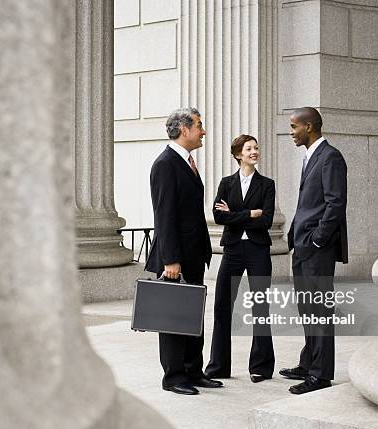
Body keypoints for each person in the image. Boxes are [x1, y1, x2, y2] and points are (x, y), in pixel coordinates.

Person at [144, 107, 223, 395]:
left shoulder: (187, 162)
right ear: (183, 129)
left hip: (192, 254)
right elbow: (164, 216)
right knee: (174, 318)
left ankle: (193, 370)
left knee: (192, 315)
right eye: (199, 126)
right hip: (175, 258)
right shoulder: (165, 164)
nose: (203, 132)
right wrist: (171, 260)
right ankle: (174, 377)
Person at [281, 107, 348, 395]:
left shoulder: (330, 157)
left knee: (319, 310)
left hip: (316, 248)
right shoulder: (312, 157)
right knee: (307, 308)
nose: (291, 132)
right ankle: (309, 362)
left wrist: (318, 239)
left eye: (294, 126)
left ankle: (320, 375)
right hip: (303, 246)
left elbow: (336, 203)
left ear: (309, 127)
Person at [204, 135, 276, 383]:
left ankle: (261, 367)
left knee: (260, 307)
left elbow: (266, 220)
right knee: (222, 305)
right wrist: (249, 214)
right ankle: (218, 367)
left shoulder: (267, 184)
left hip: (258, 250)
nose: (254, 151)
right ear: (238, 155)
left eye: (256, 147)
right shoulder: (226, 183)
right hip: (233, 250)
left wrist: (235, 214)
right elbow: (219, 217)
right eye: (249, 148)